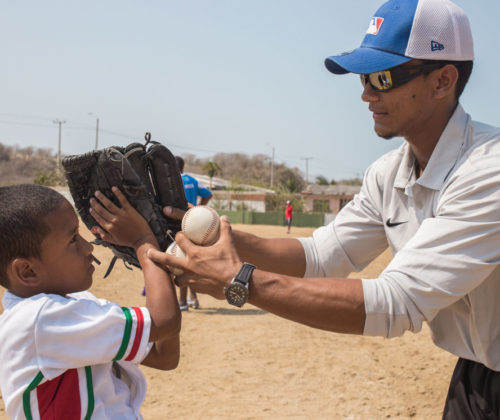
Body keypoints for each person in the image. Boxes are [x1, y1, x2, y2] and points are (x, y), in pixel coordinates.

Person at [150, 0, 500, 417]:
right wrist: (211, 237)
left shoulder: (488, 171)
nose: (366, 93)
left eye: (382, 77)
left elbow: (397, 302)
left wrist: (237, 281)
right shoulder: (388, 174)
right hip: (474, 378)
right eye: (363, 77)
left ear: (443, 81)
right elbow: (319, 256)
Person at [0, 184, 181, 419]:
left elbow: (164, 357)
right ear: (28, 271)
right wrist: (144, 242)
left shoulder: (75, 306)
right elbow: (163, 322)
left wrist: (163, 264)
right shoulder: (38, 320)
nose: (88, 248)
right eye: (73, 239)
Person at [175, 155, 212, 310]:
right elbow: (208, 194)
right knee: (191, 261)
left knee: (182, 263)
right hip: (194, 224)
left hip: (178, 223)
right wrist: (198, 209)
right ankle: (193, 299)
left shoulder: (172, 181)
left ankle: (182, 302)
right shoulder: (192, 180)